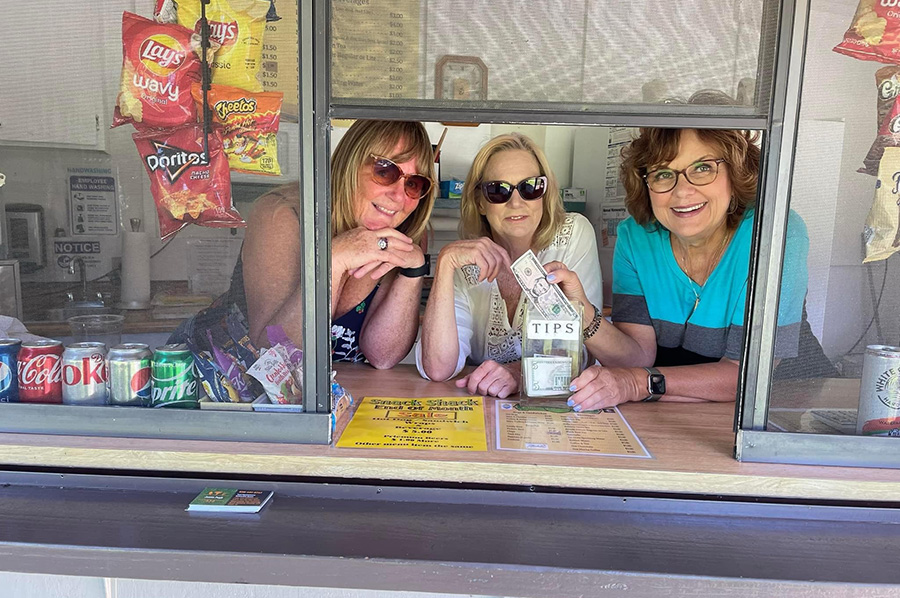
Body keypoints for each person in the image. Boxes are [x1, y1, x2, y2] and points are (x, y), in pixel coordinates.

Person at [546, 128, 830, 411]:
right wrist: (581, 314)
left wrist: (635, 384)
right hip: (677, 413)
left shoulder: (774, 233)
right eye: (663, 174)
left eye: (703, 167)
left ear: (735, 173)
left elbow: (744, 375)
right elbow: (637, 358)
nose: (682, 191)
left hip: (787, 409)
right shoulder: (636, 238)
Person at [171, 119, 437, 368]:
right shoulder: (283, 213)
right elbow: (274, 353)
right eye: (386, 171)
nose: (398, 195)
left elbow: (383, 357)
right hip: (216, 383)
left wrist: (413, 272)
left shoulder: (406, 238)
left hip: (324, 400)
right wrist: (334, 259)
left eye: (414, 184)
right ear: (349, 164)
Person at [417, 133, 603, 398]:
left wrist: (520, 373)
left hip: (555, 412)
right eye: (498, 190)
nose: (516, 203)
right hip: (482, 413)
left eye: (530, 187)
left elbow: (582, 350)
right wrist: (445, 265)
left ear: (544, 192)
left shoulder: (573, 233)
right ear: (480, 202)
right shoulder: (466, 263)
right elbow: (438, 368)